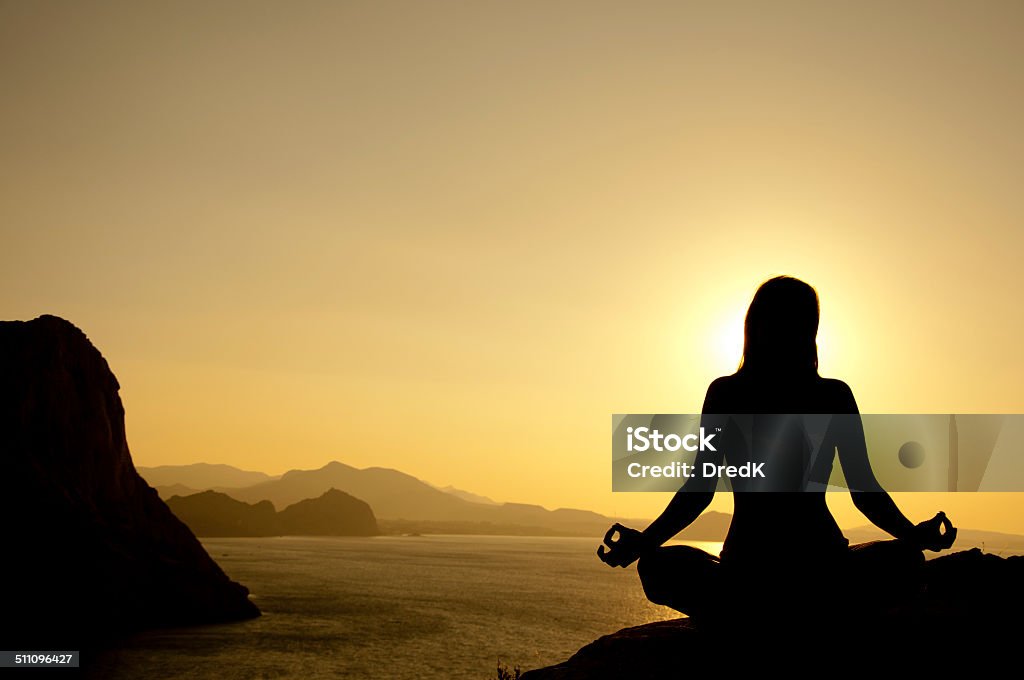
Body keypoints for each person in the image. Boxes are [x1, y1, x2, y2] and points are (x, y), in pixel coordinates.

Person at [598, 276, 956, 625]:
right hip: (817, 570)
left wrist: (644, 543)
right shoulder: (827, 395)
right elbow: (863, 489)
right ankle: (814, 613)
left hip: (754, 572)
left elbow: (699, 490)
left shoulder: (732, 393)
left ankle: (750, 616)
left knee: (658, 566)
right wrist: (914, 536)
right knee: (904, 561)